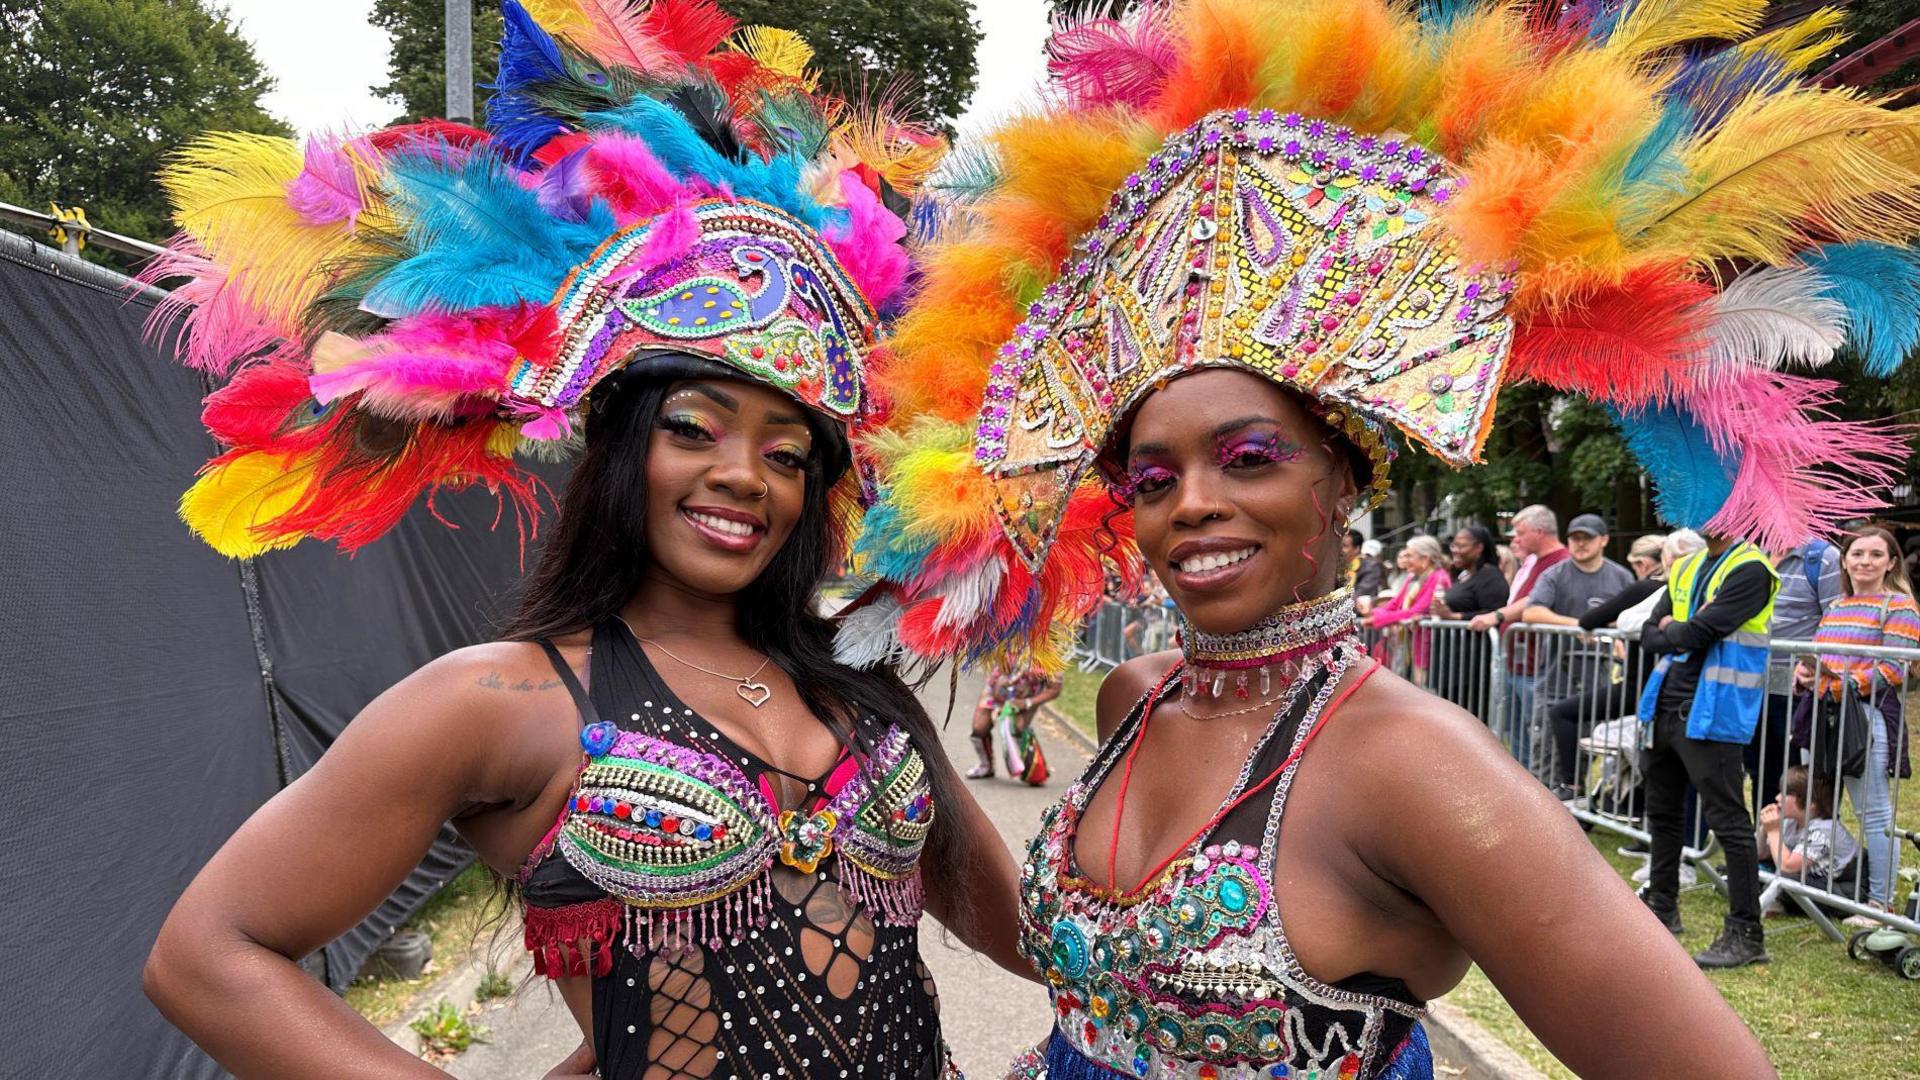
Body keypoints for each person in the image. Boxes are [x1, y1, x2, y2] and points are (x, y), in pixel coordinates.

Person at [819, 1, 1920, 1072]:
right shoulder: (1135, 695)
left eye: (1249, 457)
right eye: (1153, 477)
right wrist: (879, 724)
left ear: (1344, 479)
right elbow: (1087, 970)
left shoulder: (1413, 765)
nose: (1192, 501)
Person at [138, 9, 1029, 1077]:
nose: (743, 474)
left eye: (788, 455)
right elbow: (208, 954)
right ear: (619, 448)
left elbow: (1009, 926)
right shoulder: (501, 701)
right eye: (694, 430)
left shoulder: (853, 684)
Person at [1637, 533, 1781, 968]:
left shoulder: (1752, 569)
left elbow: (1698, 632)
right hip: (1664, 706)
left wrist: (1675, 631)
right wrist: (1676, 632)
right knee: (1662, 812)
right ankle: (1662, 904)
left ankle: (1746, 932)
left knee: (1729, 822)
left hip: (1712, 711)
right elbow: (1649, 633)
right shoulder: (1685, 566)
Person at [1793, 526, 1919, 923]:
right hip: (1824, 713)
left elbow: (1897, 667)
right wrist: (1805, 673)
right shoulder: (1835, 606)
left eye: (1875, 554)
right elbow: (1819, 654)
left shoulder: (1899, 607)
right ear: (1844, 561)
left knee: (1875, 813)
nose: (1865, 561)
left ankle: (1881, 905)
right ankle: (1818, 884)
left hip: (1867, 716)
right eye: (1857, 553)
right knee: (1820, 804)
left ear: (1891, 562)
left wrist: (1845, 680)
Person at [1542, 533, 1666, 800]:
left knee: (1562, 713)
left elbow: (1590, 618)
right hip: (1668, 687)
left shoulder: (1643, 590)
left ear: (1643, 564)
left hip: (1639, 687)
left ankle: (1572, 787)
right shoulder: (1682, 591)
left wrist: (1613, 622)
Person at [1520, 514, 1635, 780]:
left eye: (1587, 538)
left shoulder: (1620, 577)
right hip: (1554, 681)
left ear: (1604, 540)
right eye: (1575, 538)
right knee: (1545, 753)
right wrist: (1579, 625)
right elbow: (1531, 613)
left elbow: (1632, 617)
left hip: (1597, 682)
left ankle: (1574, 809)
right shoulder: (1555, 574)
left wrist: (1616, 634)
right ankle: (1544, 810)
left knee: (1584, 751)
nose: (1580, 544)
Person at [1468, 505, 1569, 767]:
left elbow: (1532, 601)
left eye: (1521, 532)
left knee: (1534, 730)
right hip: (1516, 661)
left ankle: (1536, 785)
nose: (1516, 538)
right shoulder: (1534, 561)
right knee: (1515, 730)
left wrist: (1498, 616)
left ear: (1540, 530)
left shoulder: (1561, 561)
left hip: (1538, 664)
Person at [1757, 537, 1844, 812]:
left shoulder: (1823, 558)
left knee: (1796, 771)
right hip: (1752, 679)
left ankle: (1804, 845)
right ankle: (1767, 847)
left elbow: (1837, 620)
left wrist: (1813, 666)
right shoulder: (1750, 552)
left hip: (1798, 684)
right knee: (1760, 769)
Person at [1758, 766, 1860, 918]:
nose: (1778, 798)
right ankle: (1779, 901)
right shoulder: (1791, 821)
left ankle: (1774, 902)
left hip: (1844, 889)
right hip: (1812, 880)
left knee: (1784, 880)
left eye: (1786, 794)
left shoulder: (1823, 830)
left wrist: (1774, 831)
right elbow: (1760, 854)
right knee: (1749, 868)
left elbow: (1788, 866)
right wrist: (1765, 828)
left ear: (1810, 803)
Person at [1431, 524, 1504, 718]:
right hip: (1451, 661)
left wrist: (1454, 617)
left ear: (1479, 548)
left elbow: (1493, 613)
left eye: (1461, 546)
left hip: (1470, 665)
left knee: (1466, 716)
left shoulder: (1490, 576)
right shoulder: (1463, 575)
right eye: (1453, 545)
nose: (1455, 550)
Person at [1368, 534, 1451, 682]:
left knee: (1424, 686)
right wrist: (1372, 612)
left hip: (1430, 643)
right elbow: (1395, 603)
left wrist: (1377, 618)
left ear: (1425, 559)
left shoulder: (1439, 578)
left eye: (1410, 555)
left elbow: (1416, 611)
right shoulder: (1414, 577)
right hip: (1411, 640)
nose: (1406, 560)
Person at [967, 664, 1063, 782]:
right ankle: (985, 766)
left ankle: (1035, 766)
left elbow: (1054, 689)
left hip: (1024, 699)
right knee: (978, 728)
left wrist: (1028, 702)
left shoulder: (1047, 649)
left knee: (1018, 727)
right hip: (994, 694)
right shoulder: (1001, 645)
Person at [1354, 537, 1388, 616]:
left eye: (1369, 555)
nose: (1366, 558)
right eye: (1365, 555)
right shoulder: (1354, 565)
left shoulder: (1374, 566)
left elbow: (1362, 591)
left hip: (1365, 611)